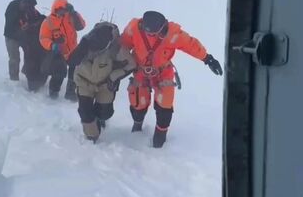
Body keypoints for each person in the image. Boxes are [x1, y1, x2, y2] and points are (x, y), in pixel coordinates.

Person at [120, 10, 223, 148]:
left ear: (162, 28)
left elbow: (191, 45)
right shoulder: (133, 28)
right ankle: (137, 125)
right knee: (138, 103)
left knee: (165, 106)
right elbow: (122, 46)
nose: (150, 35)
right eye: (148, 32)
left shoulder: (173, 34)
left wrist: (207, 59)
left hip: (163, 73)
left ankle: (159, 139)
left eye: (154, 33)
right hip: (140, 71)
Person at [68, 22, 136, 142]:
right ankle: (92, 136)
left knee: (105, 113)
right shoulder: (86, 42)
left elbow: (131, 64)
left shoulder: (116, 48)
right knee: (85, 111)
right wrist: (82, 49)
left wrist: (114, 76)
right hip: (84, 81)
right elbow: (71, 60)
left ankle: (100, 118)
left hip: (105, 83)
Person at [39, 0, 86, 101]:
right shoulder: (48, 21)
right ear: (55, 9)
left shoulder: (70, 17)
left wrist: (74, 13)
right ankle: (53, 91)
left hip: (73, 50)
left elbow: (82, 25)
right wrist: (51, 45)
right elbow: (43, 38)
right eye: (61, 10)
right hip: (58, 52)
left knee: (75, 71)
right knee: (59, 71)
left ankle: (70, 92)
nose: (63, 12)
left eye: (65, 10)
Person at [3, 0, 44, 81]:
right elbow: (10, 24)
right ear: (23, 2)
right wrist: (22, 27)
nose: (29, 9)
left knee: (30, 54)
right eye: (28, 6)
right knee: (14, 58)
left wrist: (46, 20)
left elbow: (39, 17)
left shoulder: (30, 9)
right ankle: (14, 79)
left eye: (31, 7)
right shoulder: (12, 7)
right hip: (11, 36)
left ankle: (27, 72)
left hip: (23, 37)